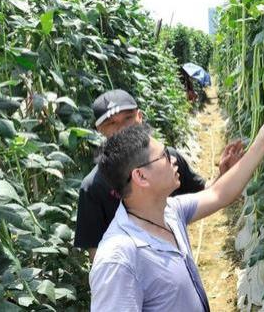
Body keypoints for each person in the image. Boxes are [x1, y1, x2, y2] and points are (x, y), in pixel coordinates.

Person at [89, 116, 264, 311]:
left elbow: (218, 194)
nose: (174, 159)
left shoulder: (170, 211)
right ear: (140, 176)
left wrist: (262, 143)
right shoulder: (118, 259)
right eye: (164, 155)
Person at [74, 89, 244, 261]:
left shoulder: (168, 160)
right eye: (112, 123)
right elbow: (97, 255)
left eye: (128, 118)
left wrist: (223, 175)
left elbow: (207, 194)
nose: (123, 128)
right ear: (99, 130)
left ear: (140, 117)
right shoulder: (93, 188)